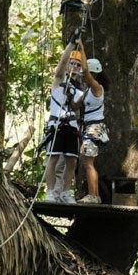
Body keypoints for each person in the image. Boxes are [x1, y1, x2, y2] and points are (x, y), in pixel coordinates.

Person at [43, 38, 85, 205]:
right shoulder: (59, 81)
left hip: (71, 126)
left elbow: (76, 110)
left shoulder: (79, 90)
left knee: (72, 161)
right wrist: (71, 46)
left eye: (77, 64)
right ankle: (51, 191)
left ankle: (65, 192)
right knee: (53, 158)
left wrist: (82, 49)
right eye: (72, 63)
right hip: (57, 125)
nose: (74, 67)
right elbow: (61, 64)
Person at [75, 41, 110, 204]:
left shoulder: (97, 88)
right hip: (89, 128)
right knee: (88, 162)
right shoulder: (88, 91)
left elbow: (86, 73)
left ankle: (93, 196)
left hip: (94, 128)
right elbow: (76, 105)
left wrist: (82, 49)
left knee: (88, 163)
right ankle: (94, 195)